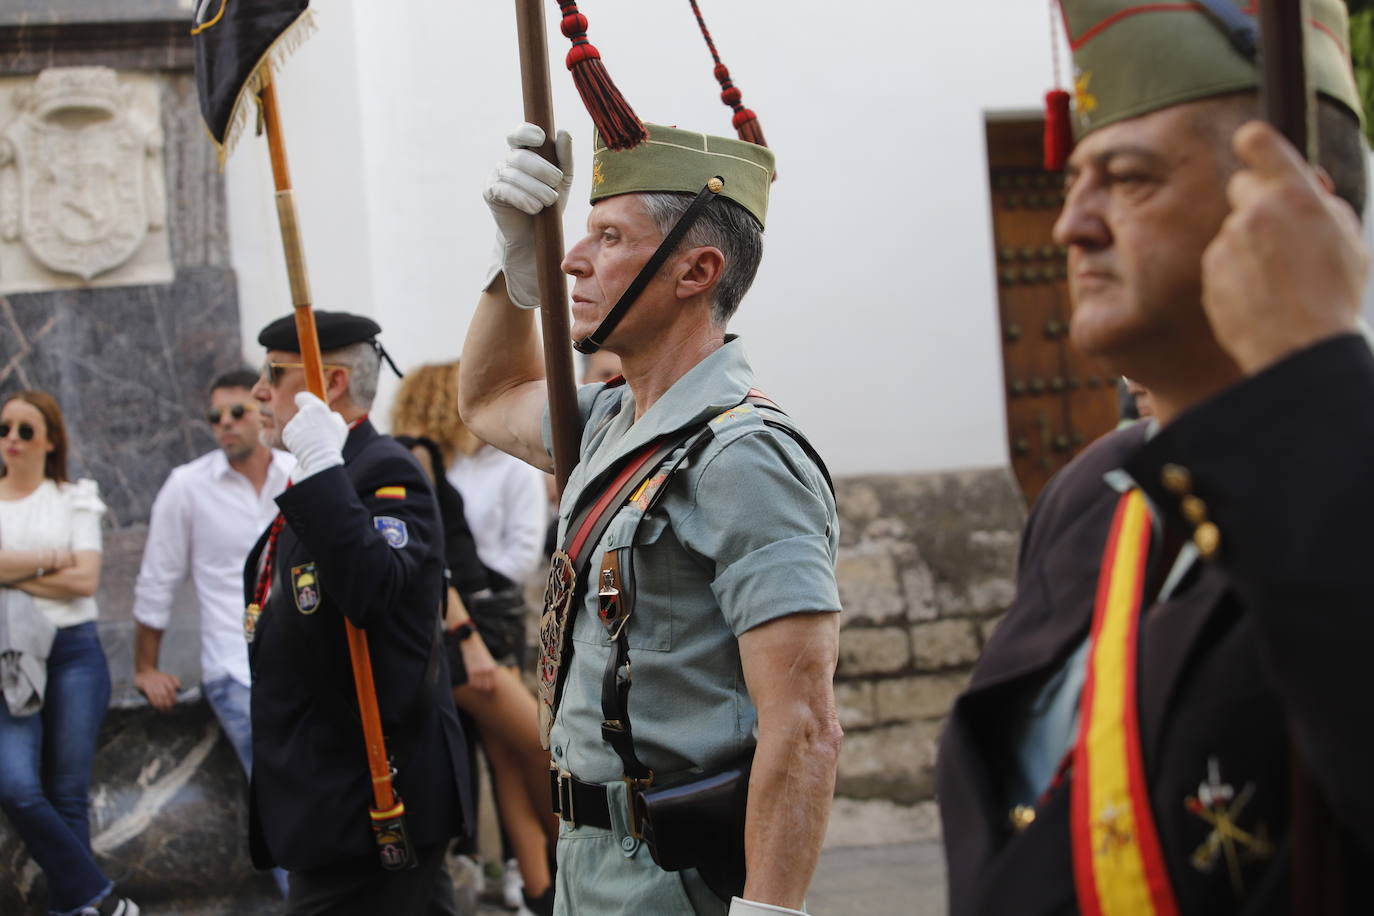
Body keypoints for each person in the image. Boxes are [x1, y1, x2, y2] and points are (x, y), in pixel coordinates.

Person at [936, 2, 1371, 913]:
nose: (1071, 225)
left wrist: (1308, 380)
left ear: (1292, 206)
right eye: (1073, 183)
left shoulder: (1342, 462)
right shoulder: (1087, 496)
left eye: (1128, 179)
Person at [460, 122, 844, 915]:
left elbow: (803, 723)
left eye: (608, 237)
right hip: (587, 864)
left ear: (696, 271)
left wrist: (769, 912)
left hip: (674, 879)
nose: (574, 258)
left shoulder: (744, 457)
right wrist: (513, 269)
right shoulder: (610, 421)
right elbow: (489, 398)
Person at [244, 311, 469, 913]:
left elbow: (373, 587)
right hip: (332, 795)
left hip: (372, 795)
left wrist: (324, 468)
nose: (258, 391)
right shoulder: (326, 473)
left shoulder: (383, 470)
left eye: (273, 373)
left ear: (332, 382)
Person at [390, 361, 558, 916]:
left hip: (480, 628)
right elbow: (434, 567)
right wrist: (468, 637)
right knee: (539, 745)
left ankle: (540, 889)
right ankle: (571, 863)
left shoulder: (429, 461)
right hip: (465, 634)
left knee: (509, 757)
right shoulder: (417, 459)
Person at [131, 368, 293, 896]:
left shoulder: (297, 472)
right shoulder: (187, 486)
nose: (224, 423)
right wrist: (145, 666)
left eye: (236, 412)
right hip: (235, 666)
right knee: (281, 797)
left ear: (262, 410)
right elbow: (156, 579)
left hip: (307, 662)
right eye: (214, 416)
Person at [0, 391, 139, 916]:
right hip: (11, 654)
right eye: (4, 428)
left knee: (67, 791)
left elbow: (84, 580)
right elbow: (69, 572)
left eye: (26, 430)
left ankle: (74, 910)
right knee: (16, 785)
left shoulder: (74, 497)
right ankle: (100, 900)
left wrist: (11, 570)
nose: (12, 439)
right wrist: (51, 561)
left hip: (74, 652)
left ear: (51, 440)